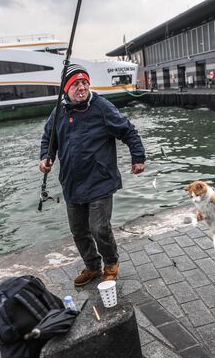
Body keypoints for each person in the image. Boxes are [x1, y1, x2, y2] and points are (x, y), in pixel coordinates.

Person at [39, 64, 146, 286]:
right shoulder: (58, 112)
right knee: (79, 231)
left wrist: (138, 157)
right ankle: (92, 266)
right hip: (72, 183)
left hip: (100, 180)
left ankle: (110, 263)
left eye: (85, 82)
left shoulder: (101, 107)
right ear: (66, 89)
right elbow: (49, 137)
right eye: (76, 84)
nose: (82, 87)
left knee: (99, 228)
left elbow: (128, 130)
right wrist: (46, 157)